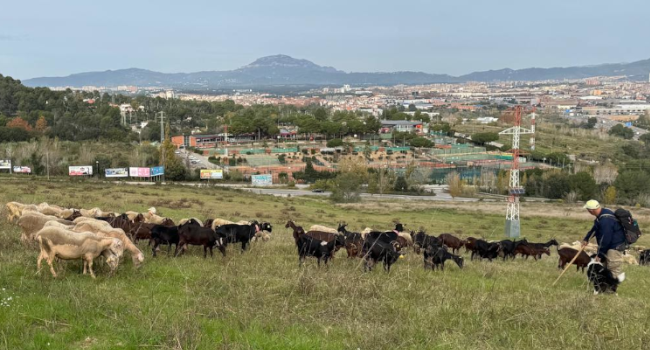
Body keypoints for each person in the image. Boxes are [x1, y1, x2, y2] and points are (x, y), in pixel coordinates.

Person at [581, 199, 627, 283]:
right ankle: (603, 288)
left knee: (613, 268)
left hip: (615, 246)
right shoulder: (602, 214)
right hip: (609, 246)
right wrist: (586, 238)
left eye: (588, 210)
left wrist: (600, 254)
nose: (588, 211)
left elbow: (606, 239)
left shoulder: (606, 220)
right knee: (604, 269)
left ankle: (611, 291)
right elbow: (595, 228)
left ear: (591, 210)